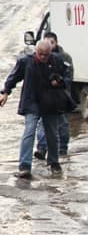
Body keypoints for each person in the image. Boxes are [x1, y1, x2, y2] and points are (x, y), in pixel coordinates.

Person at [1, 41, 71, 178]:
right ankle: (24, 166)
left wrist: (60, 82)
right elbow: (14, 77)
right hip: (31, 101)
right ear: (36, 52)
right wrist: (5, 92)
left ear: (50, 53)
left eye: (46, 55)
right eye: (41, 54)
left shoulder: (57, 60)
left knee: (52, 133)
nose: (43, 57)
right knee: (29, 131)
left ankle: (54, 162)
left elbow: (67, 76)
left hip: (50, 102)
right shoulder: (26, 61)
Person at [34, 32, 73, 160]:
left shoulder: (64, 57)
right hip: (44, 97)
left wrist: (60, 83)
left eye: (51, 43)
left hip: (60, 96)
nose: (48, 46)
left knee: (62, 123)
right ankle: (42, 148)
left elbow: (68, 76)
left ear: (55, 43)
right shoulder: (39, 58)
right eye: (46, 42)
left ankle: (62, 149)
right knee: (42, 123)